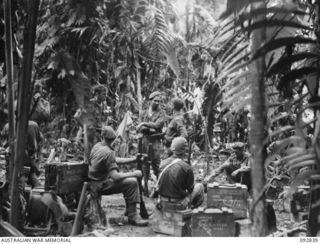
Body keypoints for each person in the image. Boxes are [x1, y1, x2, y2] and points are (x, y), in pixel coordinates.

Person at [88, 126, 148, 226]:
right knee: (132, 182)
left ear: (102, 136)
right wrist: (134, 173)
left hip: (93, 183)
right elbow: (115, 177)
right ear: (113, 139)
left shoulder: (97, 146)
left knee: (128, 180)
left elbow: (113, 160)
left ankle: (129, 210)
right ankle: (133, 215)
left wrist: (132, 160)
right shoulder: (108, 152)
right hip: (100, 185)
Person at [158, 137, 204, 209]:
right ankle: (190, 209)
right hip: (178, 204)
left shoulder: (162, 163)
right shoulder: (186, 167)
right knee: (200, 186)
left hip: (162, 202)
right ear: (185, 150)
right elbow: (190, 189)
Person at [1, 120, 42, 188]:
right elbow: (38, 142)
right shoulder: (34, 125)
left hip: (13, 157)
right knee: (31, 175)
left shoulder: (8, 125)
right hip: (28, 157)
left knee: (12, 177)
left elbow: (5, 143)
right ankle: (35, 188)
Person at [137, 91, 165, 178]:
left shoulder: (161, 113)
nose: (157, 103)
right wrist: (148, 128)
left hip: (155, 140)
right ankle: (146, 186)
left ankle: (159, 186)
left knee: (156, 164)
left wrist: (144, 124)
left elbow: (158, 125)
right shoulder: (144, 113)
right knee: (145, 163)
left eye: (158, 101)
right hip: (145, 140)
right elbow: (139, 128)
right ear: (150, 101)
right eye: (155, 100)